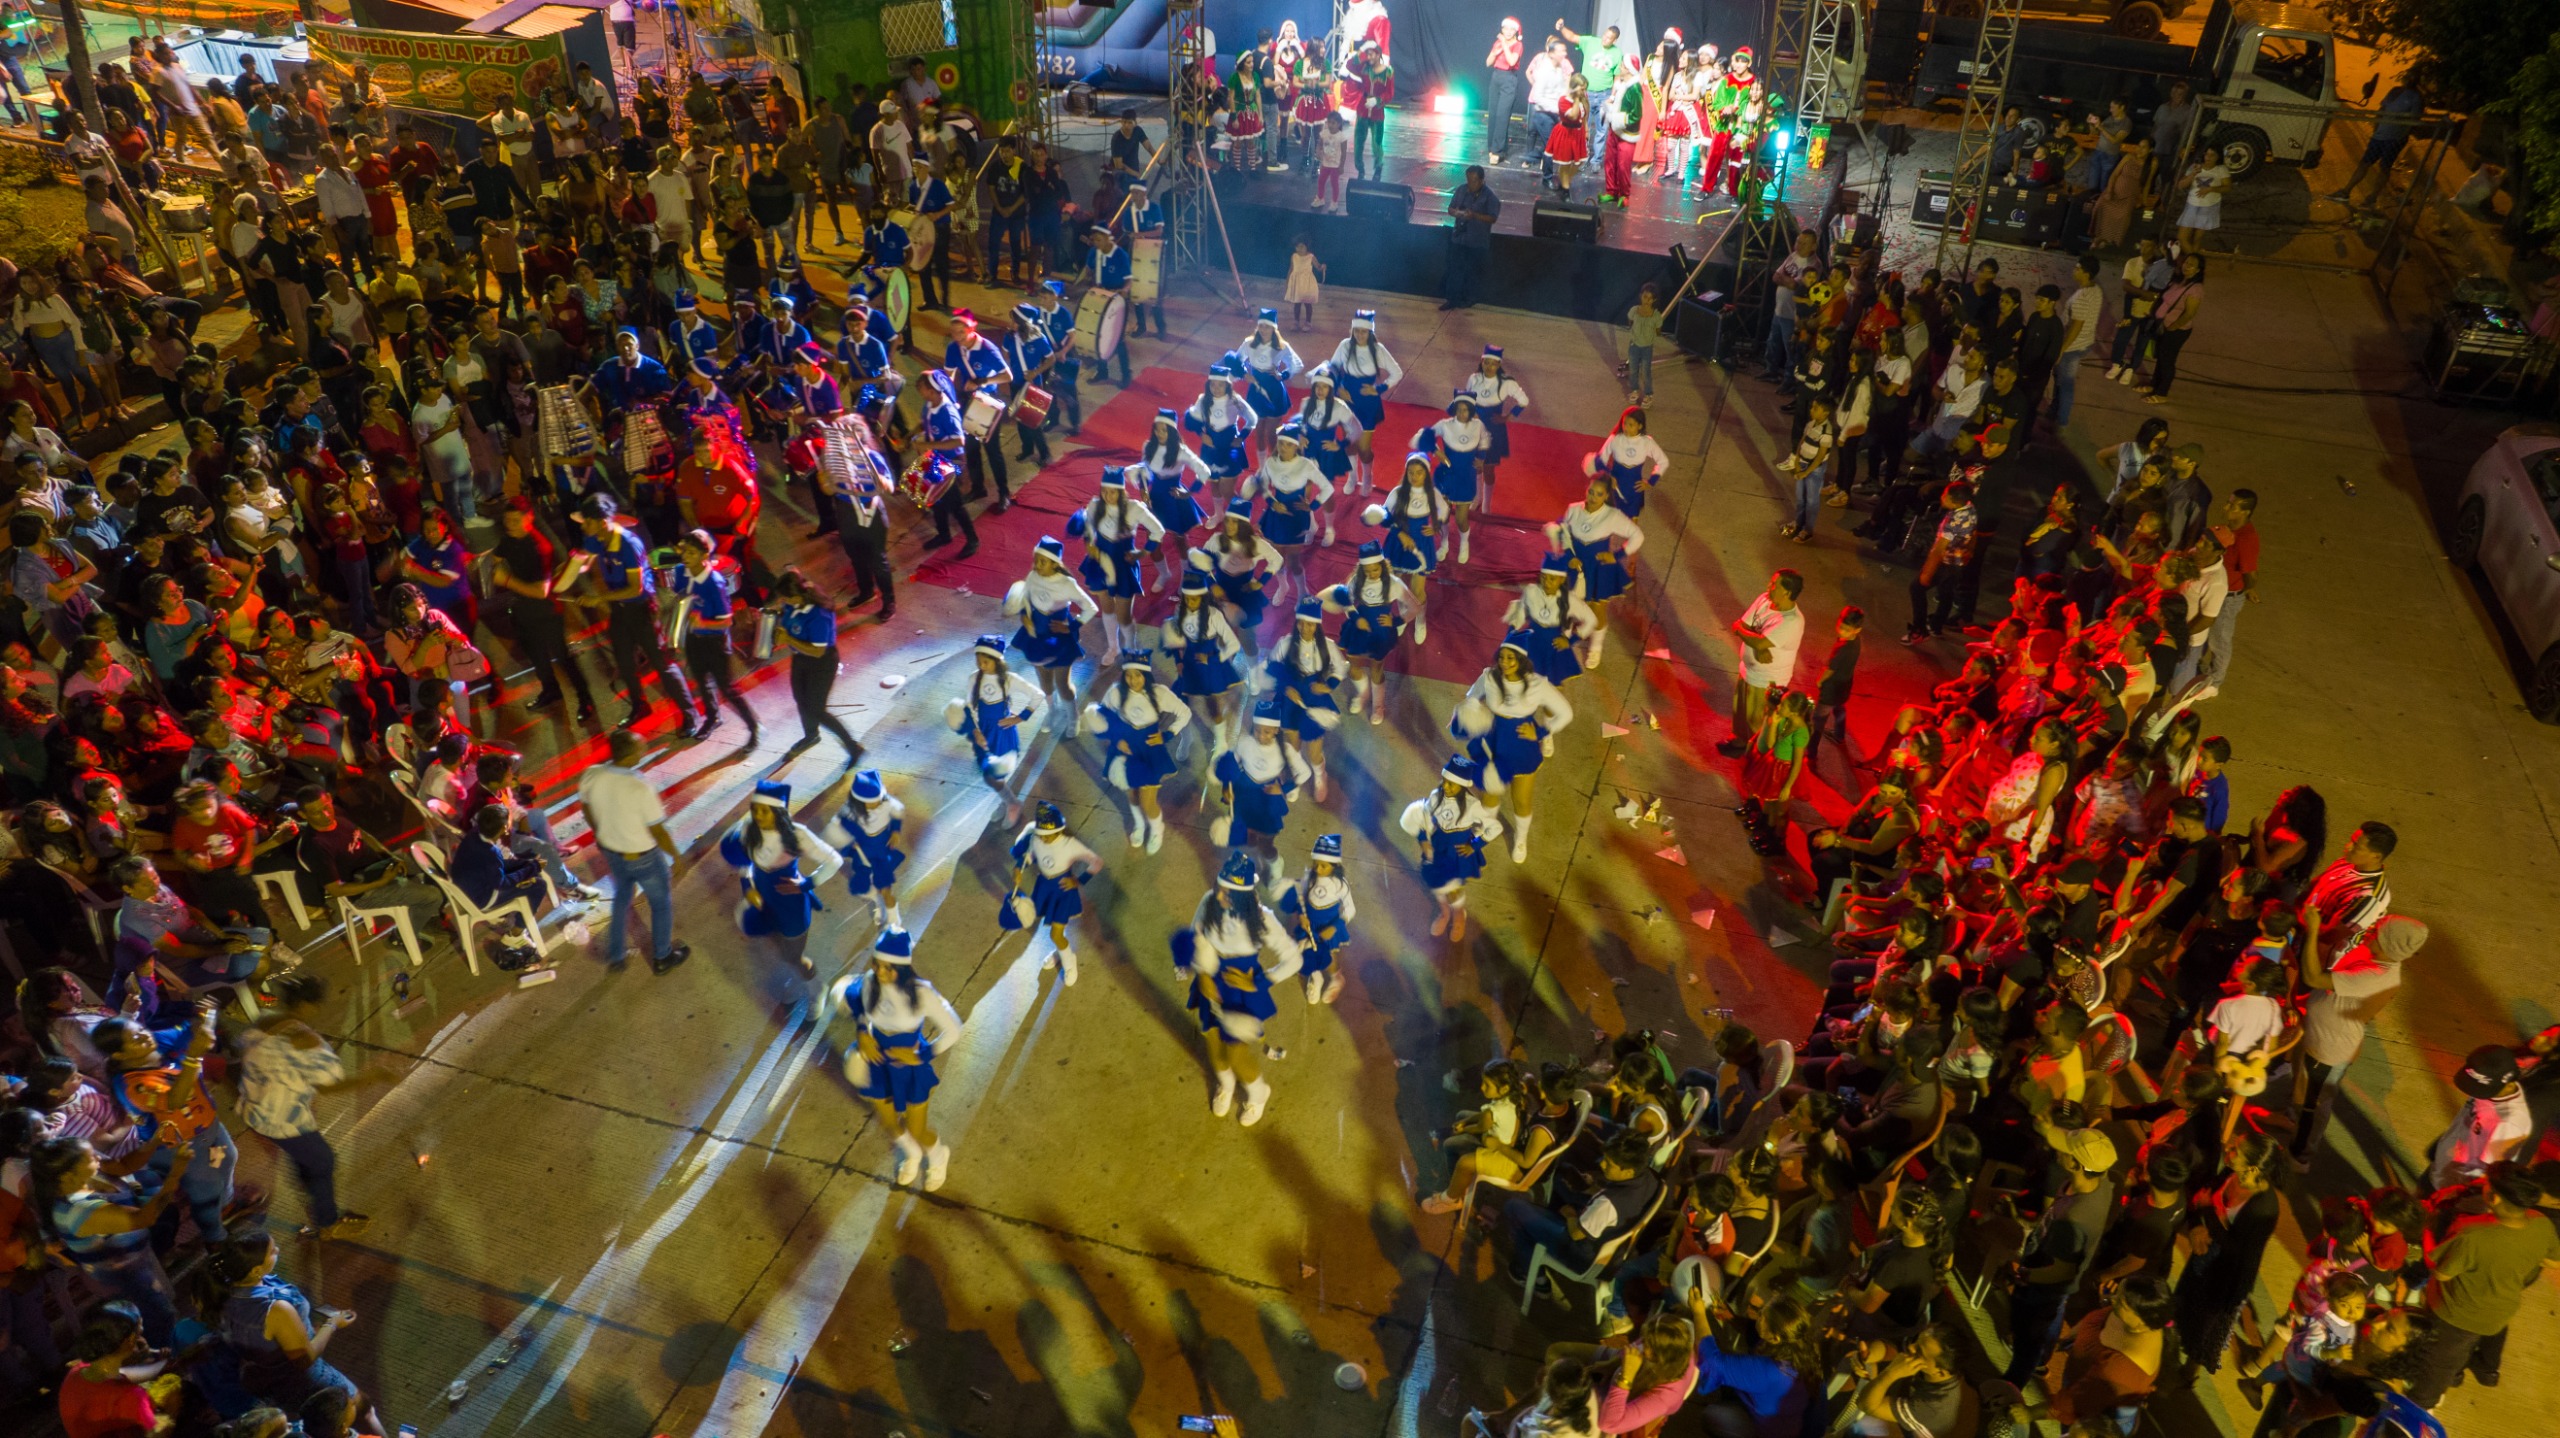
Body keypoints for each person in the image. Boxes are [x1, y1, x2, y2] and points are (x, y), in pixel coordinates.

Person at [2407, 1165, 2560, 1407]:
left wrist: (2427, 1228)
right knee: (2458, 1352)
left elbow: (2441, 1272)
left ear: (2494, 1198)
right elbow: (2553, 1261)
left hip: (2455, 1313)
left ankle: (2421, 1405)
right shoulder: (2541, 1224)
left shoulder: (2472, 1233)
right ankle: (2451, 1377)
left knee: (2438, 1362)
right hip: (2497, 1312)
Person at [829, 926, 966, 1189]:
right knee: (889, 1122)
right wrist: (862, 1033)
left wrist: (923, 1054)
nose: (880, 972)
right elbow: (861, 1007)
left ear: (902, 968)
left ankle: (938, 1156)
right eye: (877, 964)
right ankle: (912, 1154)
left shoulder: (922, 993)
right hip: (878, 1061)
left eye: (888, 968)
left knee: (917, 1129)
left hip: (909, 1066)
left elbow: (954, 1029)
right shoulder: (870, 981)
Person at [1179, 853, 1305, 1127]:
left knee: (1237, 1054)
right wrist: (1202, 973)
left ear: (1244, 896)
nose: (1219, 895)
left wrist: (1260, 983)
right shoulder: (1209, 901)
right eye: (1219, 888)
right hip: (1211, 983)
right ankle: (1226, 1084)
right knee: (1213, 1041)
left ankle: (1259, 1093)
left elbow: (1294, 959)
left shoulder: (1261, 919)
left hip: (1241, 995)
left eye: (1228, 893)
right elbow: (1196, 935)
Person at [561, 494, 700, 734]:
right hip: (620, 610)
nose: (583, 527)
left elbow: (635, 588)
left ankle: (690, 714)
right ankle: (640, 705)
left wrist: (599, 598)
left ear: (602, 522)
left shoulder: (629, 544)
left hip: (641, 609)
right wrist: (564, 573)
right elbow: (583, 561)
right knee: (625, 661)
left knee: (662, 664)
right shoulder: (597, 538)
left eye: (588, 522)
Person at [576, 728, 691, 975]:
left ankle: (617, 956)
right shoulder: (639, 786)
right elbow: (657, 830)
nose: (644, 749)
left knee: (622, 897)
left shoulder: (592, 774)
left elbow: (586, 806)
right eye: (641, 747)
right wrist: (676, 855)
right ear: (630, 755)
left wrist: (599, 831)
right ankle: (663, 957)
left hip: (612, 852)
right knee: (660, 904)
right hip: (643, 857)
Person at [1081, 649, 1192, 853]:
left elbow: (1184, 712)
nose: (1133, 680)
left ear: (1146, 675)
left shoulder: (1159, 693)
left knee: (1148, 801)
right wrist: (1116, 739)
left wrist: (1167, 735)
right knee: (1132, 792)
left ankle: (1157, 830)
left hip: (1150, 751)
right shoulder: (1116, 692)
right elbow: (1103, 717)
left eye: (1138, 675)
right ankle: (1139, 824)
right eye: (1129, 675)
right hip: (1125, 750)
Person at [718, 780, 841, 952]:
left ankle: (797, 958)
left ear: (778, 812)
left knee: (793, 939)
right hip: (762, 891)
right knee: (766, 925)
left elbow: (834, 860)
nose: (758, 816)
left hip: (788, 896)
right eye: (755, 809)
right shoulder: (748, 829)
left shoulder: (798, 834)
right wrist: (747, 886)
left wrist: (807, 883)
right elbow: (745, 861)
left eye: (764, 811)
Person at [1000, 801, 1102, 984]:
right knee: (1054, 929)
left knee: (1055, 933)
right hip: (1045, 888)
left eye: (1048, 835)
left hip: (1063, 891)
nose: (1044, 839)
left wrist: (1078, 881)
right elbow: (1030, 856)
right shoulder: (1036, 839)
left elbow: (1096, 862)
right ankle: (1061, 952)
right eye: (1041, 834)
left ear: (1058, 830)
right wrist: (1018, 867)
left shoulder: (1070, 845)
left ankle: (1069, 962)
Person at [948, 634, 1043, 788]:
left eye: (986, 662)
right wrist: (976, 731)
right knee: (985, 761)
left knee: (1001, 769)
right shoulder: (974, 678)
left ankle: (1004, 789)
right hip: (983, 727)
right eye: (978, 661)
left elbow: (1038, 694)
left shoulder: (1009, 679)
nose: (982, 666)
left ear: (997, 660)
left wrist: (1020, 717)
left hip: (1002, 730)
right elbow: (970, 706)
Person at [2333, 77, 2426, 209]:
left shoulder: (2416, 98)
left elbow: (2414, 120)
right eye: (2408, 76)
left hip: (2394, 138)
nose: (2408, 80)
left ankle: (2372, 198)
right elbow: (2382, 109)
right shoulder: (2395, 91)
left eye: (2412, 76)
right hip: (2379, 136)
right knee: (2365, 163)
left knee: (2384, 167)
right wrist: (2376, 127)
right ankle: (2345, 192)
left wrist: (2400, 131)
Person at [1442, 166, 1500, 311]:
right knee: (1455, 269)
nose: (1470, 184)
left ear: (1481, 181)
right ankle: (1452, 299)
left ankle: (1469, 299)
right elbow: (1450, 208)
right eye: (1468, 180)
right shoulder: (1461, 190)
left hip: (1476, 240)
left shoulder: (1489, 196)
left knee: (1471, 271)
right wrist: (1455, 212)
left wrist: (1474, 216)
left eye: (1473, 181)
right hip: (1459, 237)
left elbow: (1492, 218)